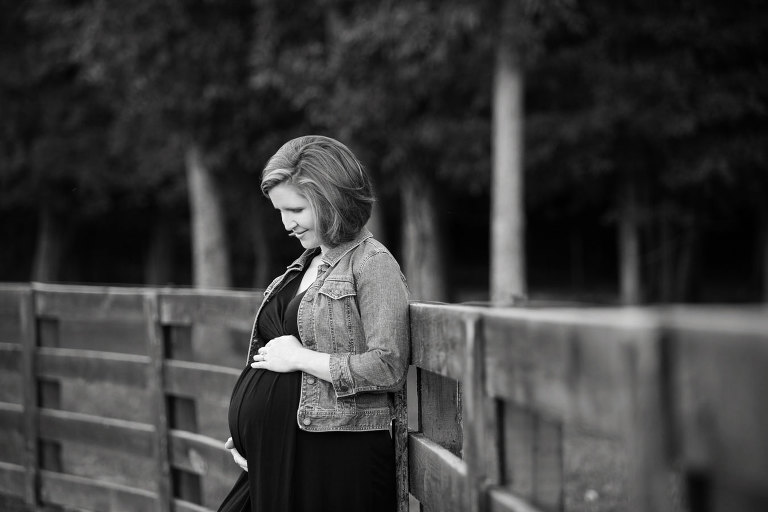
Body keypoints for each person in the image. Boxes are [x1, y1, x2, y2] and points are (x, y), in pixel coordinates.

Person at [217, 135, 410, 512]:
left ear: (331, 200)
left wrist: (301, 358)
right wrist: (250, 436)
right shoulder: (306, 263)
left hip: (331, 458)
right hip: (281, 452)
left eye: (297, 209)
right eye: (280, 211)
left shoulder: (372, 264)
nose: (287, 223)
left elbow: (388, 366)